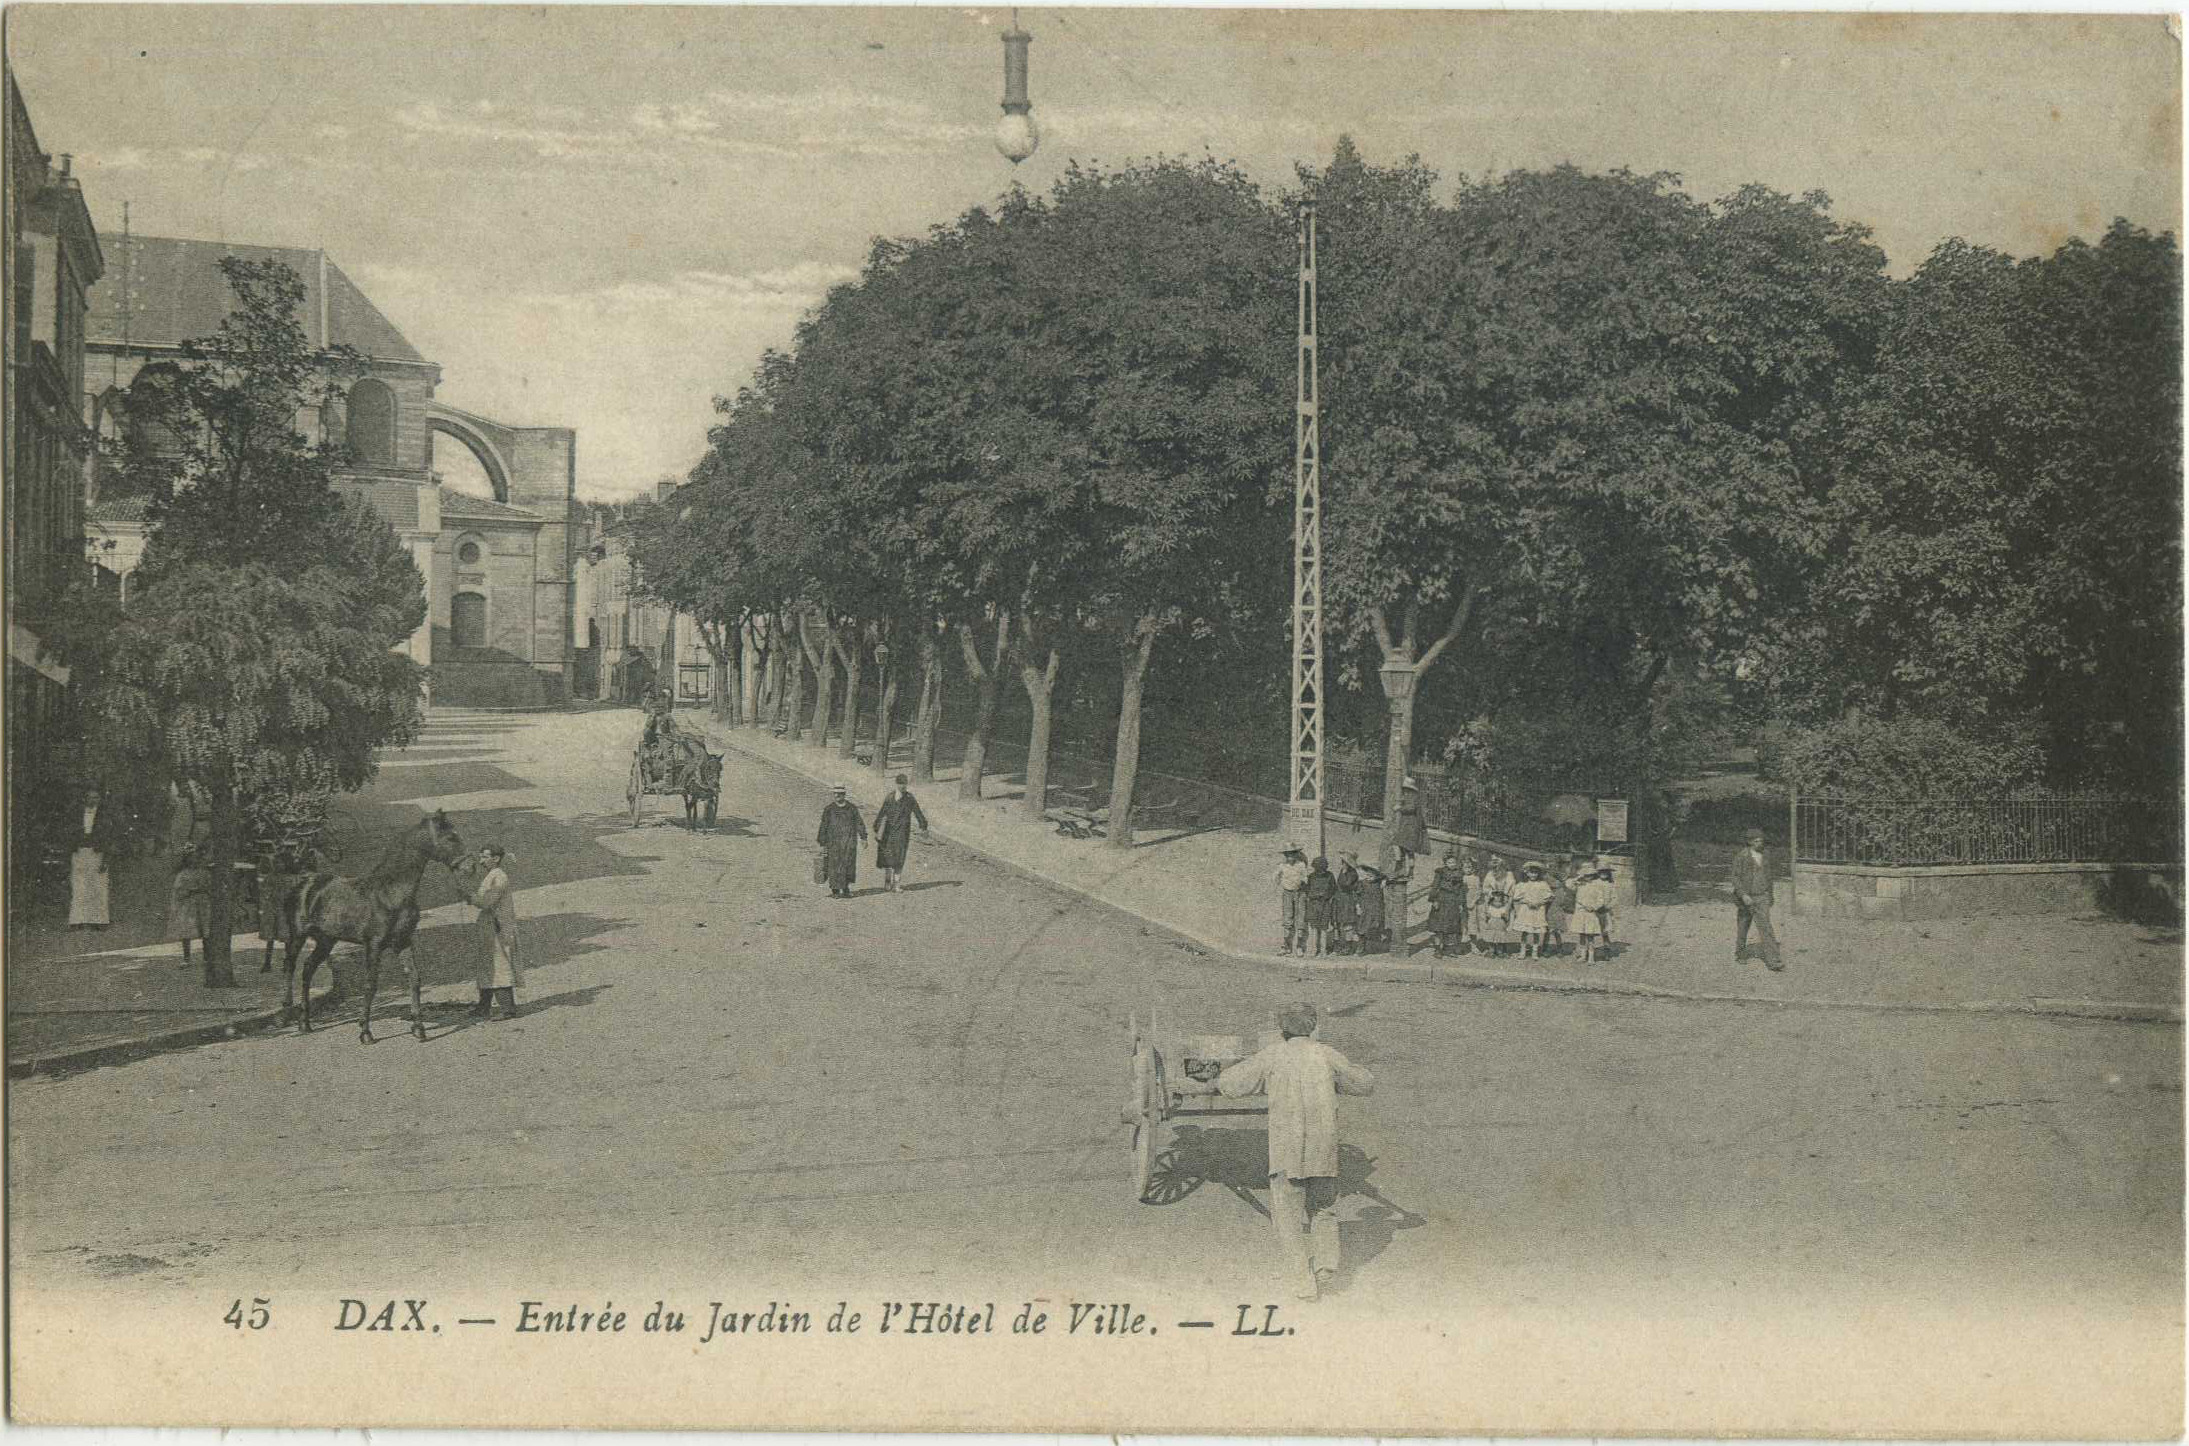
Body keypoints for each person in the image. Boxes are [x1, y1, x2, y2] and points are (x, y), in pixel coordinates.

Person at [1218, 1002, 1376, 1302]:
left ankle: (1302, 1280)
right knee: (1324, 1209)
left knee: (1288, 1217)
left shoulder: (1272, 1055)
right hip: (1323, 1150)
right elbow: (1364, 1084)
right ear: (1314, 1026)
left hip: (1287, 1152)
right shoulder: (1327, 1054)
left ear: (1282, 1030)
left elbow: (1231, 1085)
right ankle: (1327, 1266)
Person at [469, 844, 523, 1019]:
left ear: (496, 858)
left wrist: (469, 897)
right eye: (481, 857)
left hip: (498, 927)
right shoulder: (492, 875)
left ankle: (508, 1009)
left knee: (499, 965)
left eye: (485, 857)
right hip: (489, 926)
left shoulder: (499, 877)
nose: (481, 860)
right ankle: (483, 1006)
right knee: (486, 965)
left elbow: (487, 902)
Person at [1733, 826, 1783, 971]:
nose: (1759, 843)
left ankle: (1773, 960)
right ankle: (1740, 952)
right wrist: (1743, 895)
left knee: (1766, 927)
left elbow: (1769, 876)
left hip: (1762, 897)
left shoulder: (1765, 855)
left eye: (1761, 840)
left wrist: (1770, 894)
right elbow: (1735, 878)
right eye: (1756, 841)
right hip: (1746, 898)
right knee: (1743, 925)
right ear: (1749, 842)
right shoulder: (1741, 856)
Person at [873, 773, 930, 893]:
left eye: (904, 784)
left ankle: (896, 885)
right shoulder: (889, 797)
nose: (902, 786)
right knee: (888, 858)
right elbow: (882, 812)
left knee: (900, 858)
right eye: (900, 784)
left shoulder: (910, 798)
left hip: (902, 833)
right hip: (888, 832)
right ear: (896, 784)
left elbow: (917, 812)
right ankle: (887, 882)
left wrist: (923, 825)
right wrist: (877, 827)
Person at [68, 786, 110, 930]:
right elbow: (70, 833)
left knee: (99, 886)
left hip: (97, 853)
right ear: (85, 799)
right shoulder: (75, 815)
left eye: (96, 797)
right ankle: (77, 920)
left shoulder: (105, 817)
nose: (93, 800)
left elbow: (108, 838)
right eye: (90, 797)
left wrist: (106, 858)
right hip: (79, 852)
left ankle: (99, 921)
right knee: (78, 885)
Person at [817, 783, 868, 899]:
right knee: (834, 866)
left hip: (849, 842)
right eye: (835, 794)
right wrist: (822, 843)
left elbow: (859, 823)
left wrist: (864, 837)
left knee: (847, 865)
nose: (837, 796)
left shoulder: (852, 808)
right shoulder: (829, 809)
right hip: (833, 842)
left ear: (844, 795)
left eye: (839, 794)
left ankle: (845, 889)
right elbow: (823, 826)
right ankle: (835, 891)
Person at [256, 848, 301, 973]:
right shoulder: (271, 877)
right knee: (270, 938)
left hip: (286, 910)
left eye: (280, 862)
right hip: (273, 908)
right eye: (276, 862)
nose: (277, 865)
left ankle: (287, 963)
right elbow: (265, 891)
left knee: (287, 938)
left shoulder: (293, 878)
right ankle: (267, 963)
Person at [165, 850, 210, 964]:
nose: (194, 861)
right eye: (191, 858)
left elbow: (209, 885)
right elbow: (178, 890)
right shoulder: (183, 874)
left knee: (205, 929)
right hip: (188, 904)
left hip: (202, 903)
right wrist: (190, 891)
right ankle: (187, 958)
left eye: (196, 858)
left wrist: (205, 890)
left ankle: (207, 957)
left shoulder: (204, 872)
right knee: (186, 931)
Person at [1425, 851, 1468, 958]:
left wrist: (1461, 904)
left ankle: (1448, 948)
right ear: (1445, 863)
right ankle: (1438, 950)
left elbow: (1461, 891)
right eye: (1449, 862)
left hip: (1453, 901)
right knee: (1439, 926)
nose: (1452, 864)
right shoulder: (1440, 872)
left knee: (1451, 927)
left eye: (1454, 862)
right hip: (1442, 900)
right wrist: (1434, 899)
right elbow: (1435, 886)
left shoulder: (1459, 874)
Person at [1574, 862, 1617, 965]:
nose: (1604, 874)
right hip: (1591, 912)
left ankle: (1606, 952)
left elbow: (1614, 899)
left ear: (1609, 874)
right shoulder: (1594, 882)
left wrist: (1607, 906)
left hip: (1603, 912)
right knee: (1587, 932)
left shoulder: (1610, 885)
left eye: (1606, 873)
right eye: (1601, 872)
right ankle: (1584, 954)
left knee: (1604, 933)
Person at [1512, 861, 1555, 960]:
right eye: (1531, 872)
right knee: (1525, 931)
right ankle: (1522, 951)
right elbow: (1516, 897)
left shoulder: (1543, 884)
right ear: (1527, 873)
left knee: (1536, 931)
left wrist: (1540, 902)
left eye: (1535, 872)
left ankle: (1534, 952)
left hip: (1538, 910)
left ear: (1538, 873)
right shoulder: (1522, 884)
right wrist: (1527, 901)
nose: (1533, 874)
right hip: (1526, 910)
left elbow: (1550, 896)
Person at [1475, 856, 1517, 957]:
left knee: (1503, 927)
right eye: (1493, 870)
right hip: (1492, 904)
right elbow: (1485, 891)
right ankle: (1491, 948)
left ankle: (1501, 948)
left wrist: (1507, 909)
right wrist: (1486, 908)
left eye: (1497, 870)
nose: (1495, 872)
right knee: (1491, 927)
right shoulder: (1490, 876)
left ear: (1503, 868)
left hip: (1505, 904)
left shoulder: (1509, 876)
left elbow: (1511, 894)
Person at [1274, 846, 1310, 955]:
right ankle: (1286, 946)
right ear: (1286, 855)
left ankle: (1299, 946)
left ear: (1296, 854)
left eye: (1293, 854)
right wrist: (1281, 884)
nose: (1291, 857)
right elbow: (1276, 877)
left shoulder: (1301, 865)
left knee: (1301, 918)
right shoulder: (1282, 866)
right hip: (1287, 893)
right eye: (1288, 854)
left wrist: (1302, 884)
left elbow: (1305, 878)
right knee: (1287, 919)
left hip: (1299, 893)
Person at [1302, 855, 1338, 957]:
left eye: (1323, 867)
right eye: (1319, 867)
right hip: (1313, 905)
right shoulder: (1311, 877)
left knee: (1323, 928)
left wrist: (1326, 896)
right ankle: (1313, 949)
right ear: (1315, 867)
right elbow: (1307, 890)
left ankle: (1323, 950)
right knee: (1313, 928)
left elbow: (1333, 889)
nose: (1321, 870)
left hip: (1325, 904)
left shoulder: (1330, 876)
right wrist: (1315, 895)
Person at [1391, 778, 1431, 870]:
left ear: (1408, 788)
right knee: (1409, 849)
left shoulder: (1411, 796)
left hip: (1409, 826)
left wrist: (1399, 808)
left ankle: (1398, 863)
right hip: (1411, 826)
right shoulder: (1412, 796)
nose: (1404, 790)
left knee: (1396, 843)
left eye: (1405, 788)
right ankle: (1411, 870)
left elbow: (1411, 808)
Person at [1332, 851, 1363, 955]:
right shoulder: (1343, 871)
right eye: (1342, 862)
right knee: (1340, 923)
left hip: (1348, 901)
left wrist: (1345, 873)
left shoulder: (1352, 873)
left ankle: (1348, 948)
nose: (1342, 864)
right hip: (1340, 900)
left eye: (1344, 862)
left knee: (1348, 924)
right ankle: (1342, 946)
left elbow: (1346, 885)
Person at [1547, 852, 1577, 956]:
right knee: (1547, 928)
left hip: (1556, 904)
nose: (1552, 867)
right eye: (1550, 864)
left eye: (1554, 865)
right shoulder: (1546, 876)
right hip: (1547, 904)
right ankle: (1545, 947)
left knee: (1556, 929)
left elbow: (1564, 891)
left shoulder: (1561, 878)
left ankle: (1559, 948)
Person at [1383, 856, 1413, 956]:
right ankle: (1394, 943)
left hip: (1399, 881)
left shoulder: (1405, 847)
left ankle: (1399, 946)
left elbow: (1409, 865)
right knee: (1391, 915)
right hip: (1390, 881)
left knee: (1398, 917)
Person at [1355, 862, 1386, 954]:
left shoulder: (1379, 884)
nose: (1369, 876)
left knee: (1375, 928)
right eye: (1367, 874)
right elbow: (1357, 895)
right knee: (1362, 927)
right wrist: (1358, 906)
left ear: (1376, 875)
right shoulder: (1362, 883)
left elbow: (1387, 878)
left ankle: (1373, 947)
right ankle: (1361, 947)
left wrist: (1384, 880)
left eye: (1371, 875)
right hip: (1365, 908)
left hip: (1376, 909)